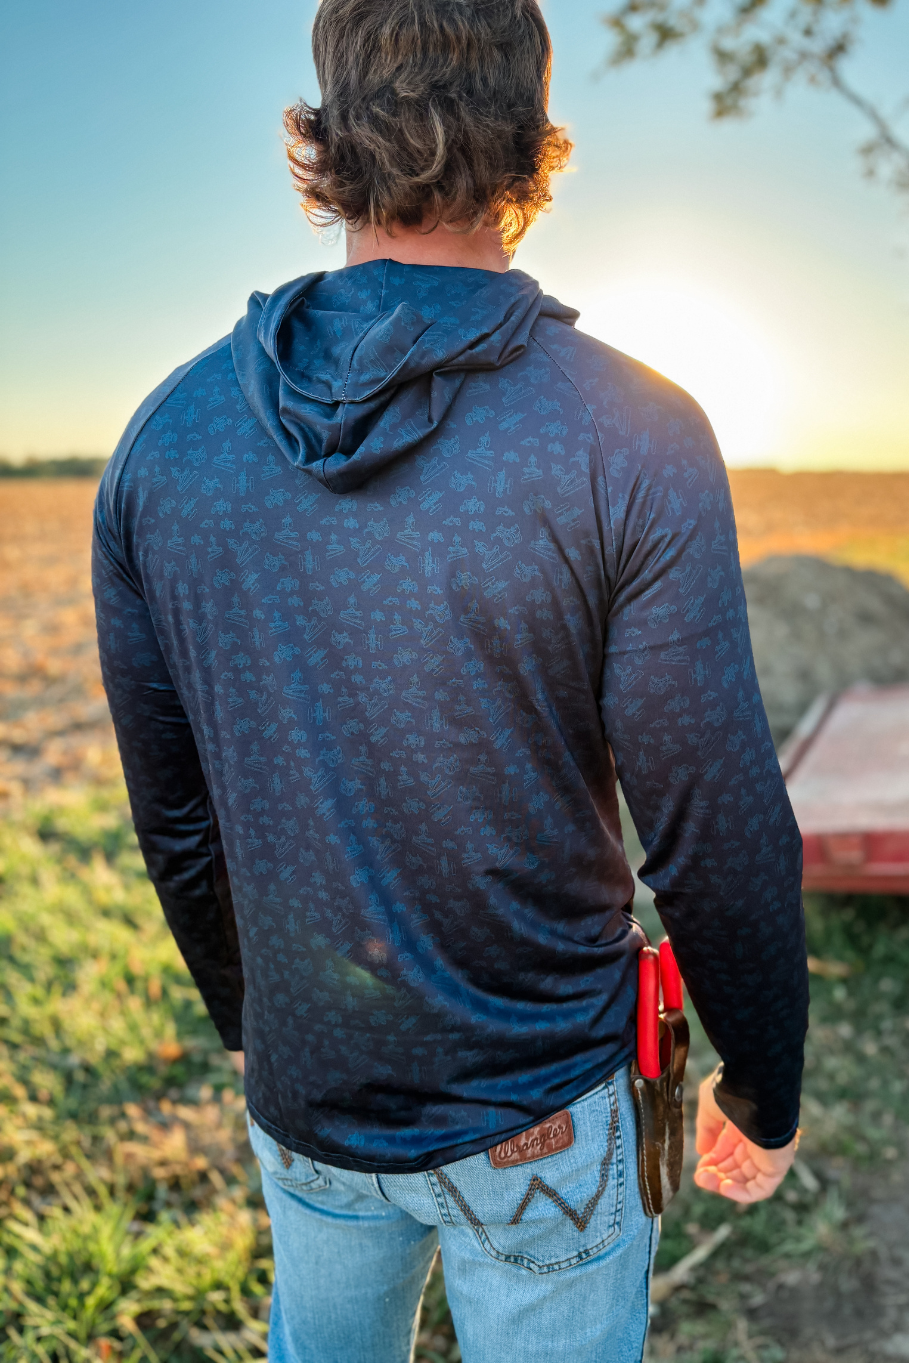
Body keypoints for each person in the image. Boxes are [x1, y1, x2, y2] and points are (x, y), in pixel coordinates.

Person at [92, 1, 808, 1359]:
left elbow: (174, 815)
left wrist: (255, 1029)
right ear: (534, 134)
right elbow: (709, 816)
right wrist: (764, 1082)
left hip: (308, 1095)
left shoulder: (163, 440)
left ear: (324, 134)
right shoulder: (632, 432)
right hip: (544, 1105)